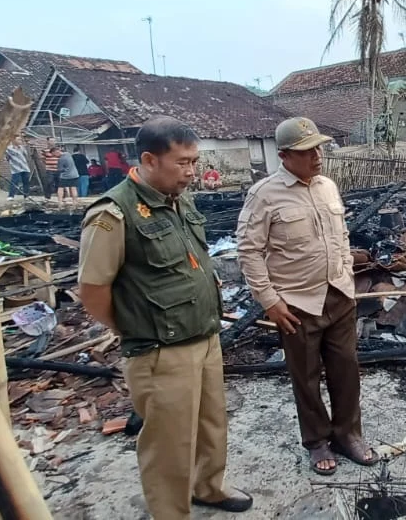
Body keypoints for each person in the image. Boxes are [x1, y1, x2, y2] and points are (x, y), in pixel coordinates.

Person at [77, 116, 252, 519]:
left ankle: (208, 487)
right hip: (160, 350)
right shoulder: (114, 214)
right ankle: (171, 513)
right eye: (182, 162)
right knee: (169, 442)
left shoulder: (178, 201)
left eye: (194, 162)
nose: (191, 172)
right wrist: (135, 328)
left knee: (211, 424)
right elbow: (92, 291)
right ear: (149, 160)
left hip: (204, 337)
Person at [236, 117, 378, 476]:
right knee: (306, 375)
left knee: (346, 370)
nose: (317, 156)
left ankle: (348, 434)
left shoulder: (328, 187)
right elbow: (248, 251)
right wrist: (270, 300)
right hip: (296, 304)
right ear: (284, 156)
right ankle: (317, 441)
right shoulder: (264, 195)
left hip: (339, 295)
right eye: (306, 151)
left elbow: (341, 235)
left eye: (318, 147)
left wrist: (345, 271)